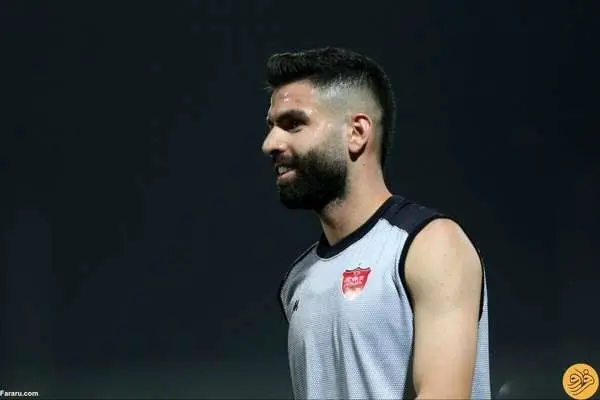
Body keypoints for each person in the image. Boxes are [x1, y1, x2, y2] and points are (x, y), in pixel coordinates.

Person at [261, 47, 491, 399]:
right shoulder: (298, 281)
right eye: (272, 127)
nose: (270, 144)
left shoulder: (429, 245)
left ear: (356, 132)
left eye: (293, 124)